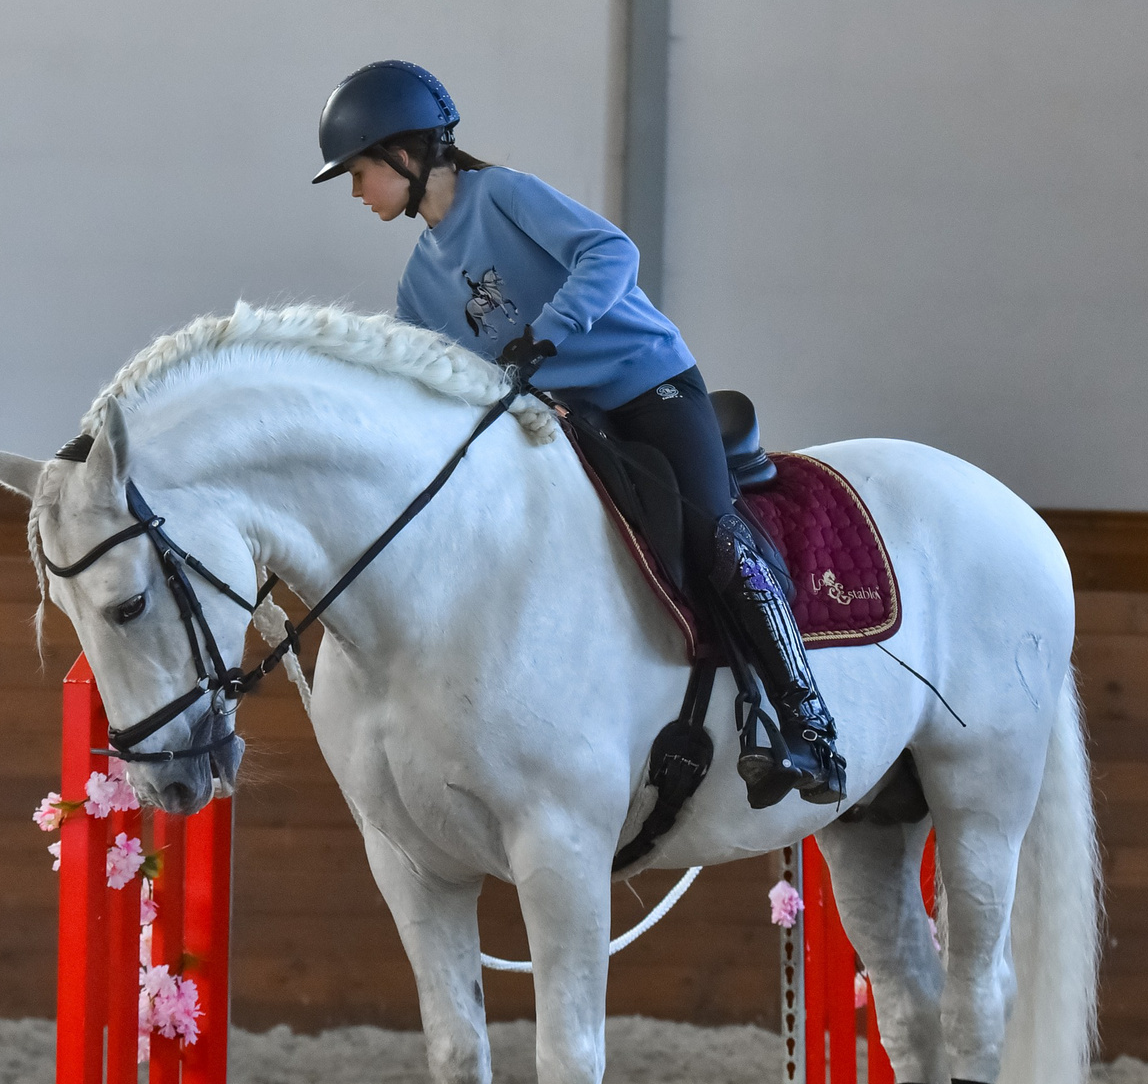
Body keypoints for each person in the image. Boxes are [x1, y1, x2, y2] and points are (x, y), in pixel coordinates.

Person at [311, 59, 844, 807]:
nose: (359, 193)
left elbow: (612, 252)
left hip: (647, 384)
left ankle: (808, 723)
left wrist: (546, 335)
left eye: (360, 173)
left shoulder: (503, 194)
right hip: (564, 421)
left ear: (405, 152)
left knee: (707, 526)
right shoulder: (417, 286)